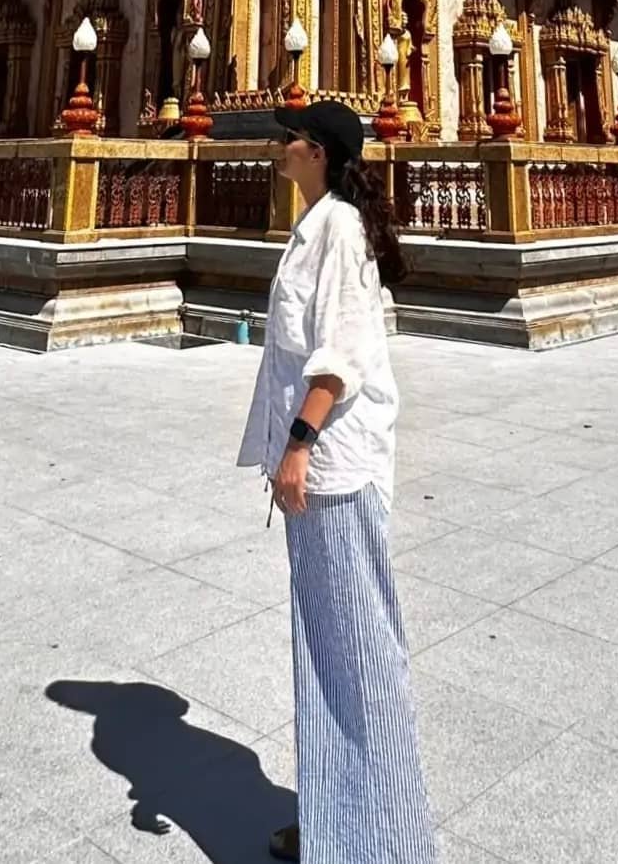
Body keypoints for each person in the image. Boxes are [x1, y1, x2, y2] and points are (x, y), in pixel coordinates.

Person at [237, 100, 441, 864]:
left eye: (287, 137)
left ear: (316, 151)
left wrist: (298, 443)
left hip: (331, 462)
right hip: (315, 461)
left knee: (356, 648)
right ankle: (334, 819)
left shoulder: (341, 228)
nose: (276, 145)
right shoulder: (320, 220)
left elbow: (340, 354)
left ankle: (384, 842)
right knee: (326, 643)